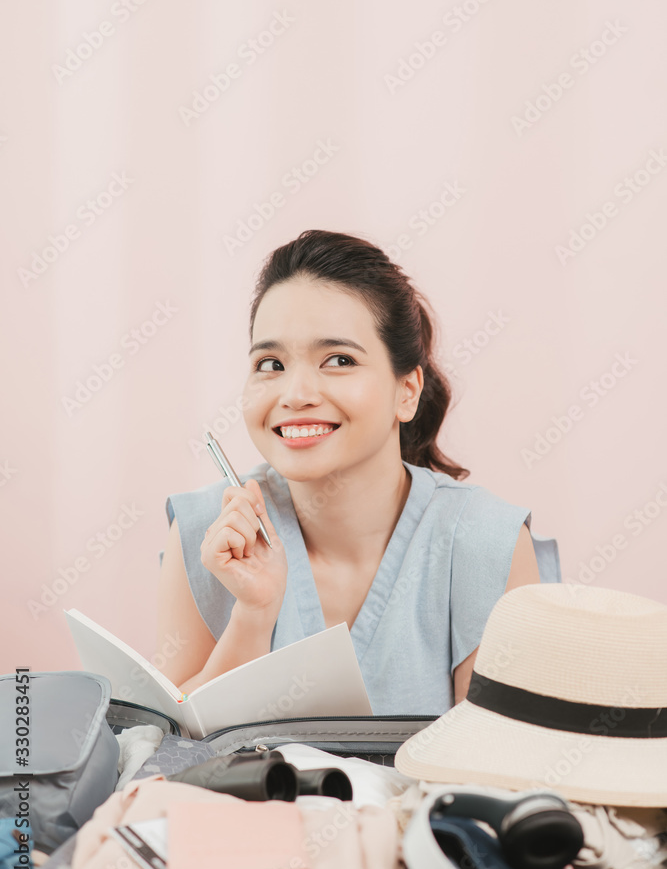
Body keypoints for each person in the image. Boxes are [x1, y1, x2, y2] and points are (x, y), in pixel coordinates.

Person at [156, 230, 560, 712]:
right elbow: (171, 748)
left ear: (406, 390)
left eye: (339, 359)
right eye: (271, 363)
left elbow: (499, 764)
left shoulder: (484, 545)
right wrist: (253, 616)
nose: (295, 393)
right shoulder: (207, 532)